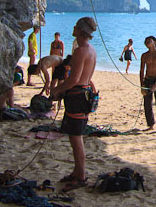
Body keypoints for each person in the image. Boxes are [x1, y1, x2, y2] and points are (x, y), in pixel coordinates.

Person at [50, 17, 98, 191]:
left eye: (76, 26)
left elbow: (74, 79)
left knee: (76, 137)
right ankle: (77, 171)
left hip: (77, 96)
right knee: (74, 135)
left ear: (81, 30)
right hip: (84, 94)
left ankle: (81, 175)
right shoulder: (91, 50)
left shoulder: (81, 51)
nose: (74, 28)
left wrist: (57, 90)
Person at [139, 36, 156, 132]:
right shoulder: (144, 55)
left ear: (154, 42)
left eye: (149, 41)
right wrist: (142, 85)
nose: (147, 43)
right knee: (147, 103)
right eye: (145, 41)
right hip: (147, 79)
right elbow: (142, 70)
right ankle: (150, 124)